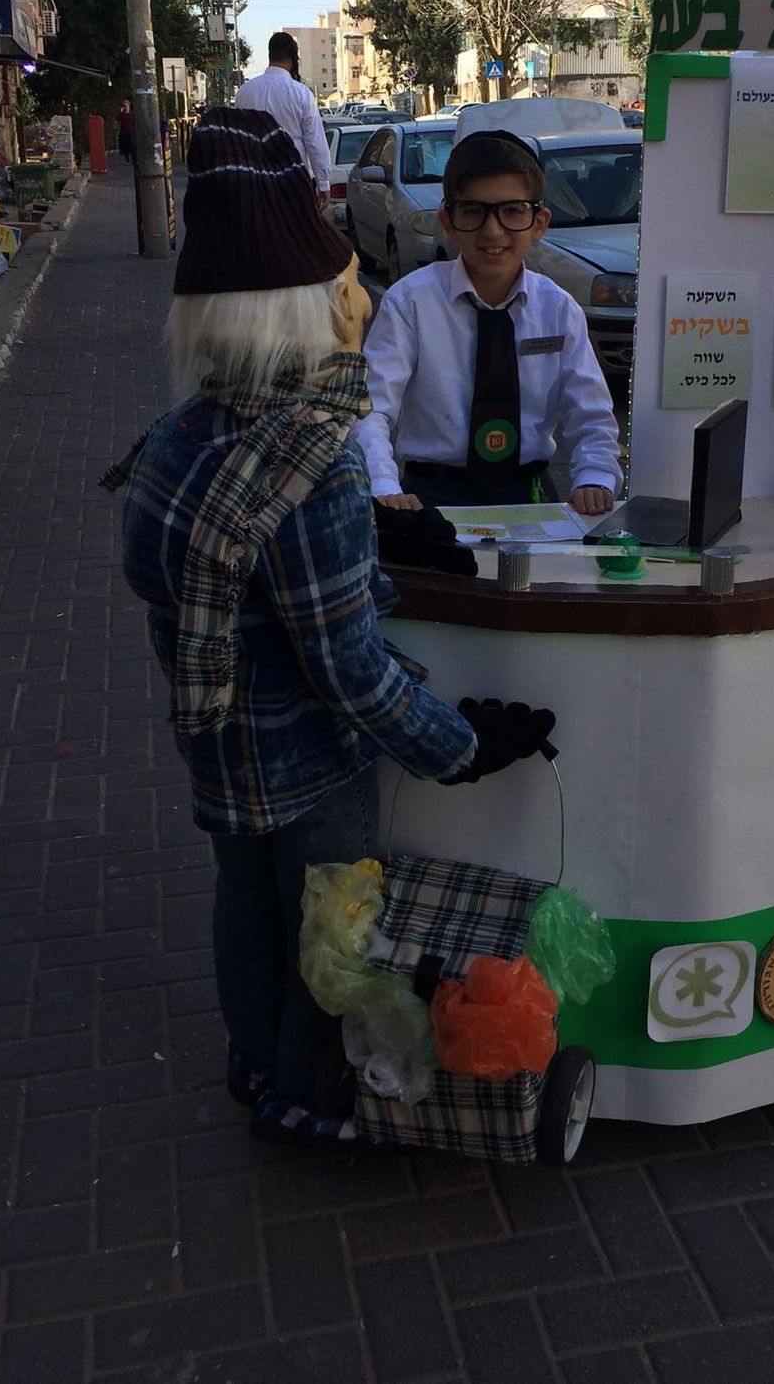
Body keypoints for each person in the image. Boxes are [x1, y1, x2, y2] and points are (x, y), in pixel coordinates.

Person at [105, 107, 551, 1142]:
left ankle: (252, 1064)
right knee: (326, 939)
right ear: (298, 310)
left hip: (217, 747)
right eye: (345, 281)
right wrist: (461, 746)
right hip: (309, 769)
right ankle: (306, 1096)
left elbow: (224, 586)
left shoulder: (178, 435)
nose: (363, 295)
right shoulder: (313, 457)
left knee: (243, 910)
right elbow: (348, 671)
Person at [356, 129, 621, 515]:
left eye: (513, 211)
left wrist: (595, 476)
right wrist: (382, 484)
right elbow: (373, 406)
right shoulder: (410, 302)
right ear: (447, 220)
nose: (493, 231)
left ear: (539, 222)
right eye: (473, 211)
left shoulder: (558, 308)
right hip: (431, 492)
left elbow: (590, 412)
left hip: (527, 491)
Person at [234, 31, 331, 199]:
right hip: (294, 182)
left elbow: (237, 139)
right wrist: (323, 184)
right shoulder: (301, 93)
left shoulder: (245, 92)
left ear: (270, 54)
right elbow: (314, 141)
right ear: (293, 58)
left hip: (255, 182)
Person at [116, 100, 135, 165]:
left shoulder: (132, 114)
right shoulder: (122, 114)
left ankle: (133, 159)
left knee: (132, 146)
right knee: (126, 147)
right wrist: (121, 112)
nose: (126, 107)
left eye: (127, 106)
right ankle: (127, 160)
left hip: (131, 132)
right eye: (124, 106)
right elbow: (118, 118)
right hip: (124, 132)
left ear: (129, 106)